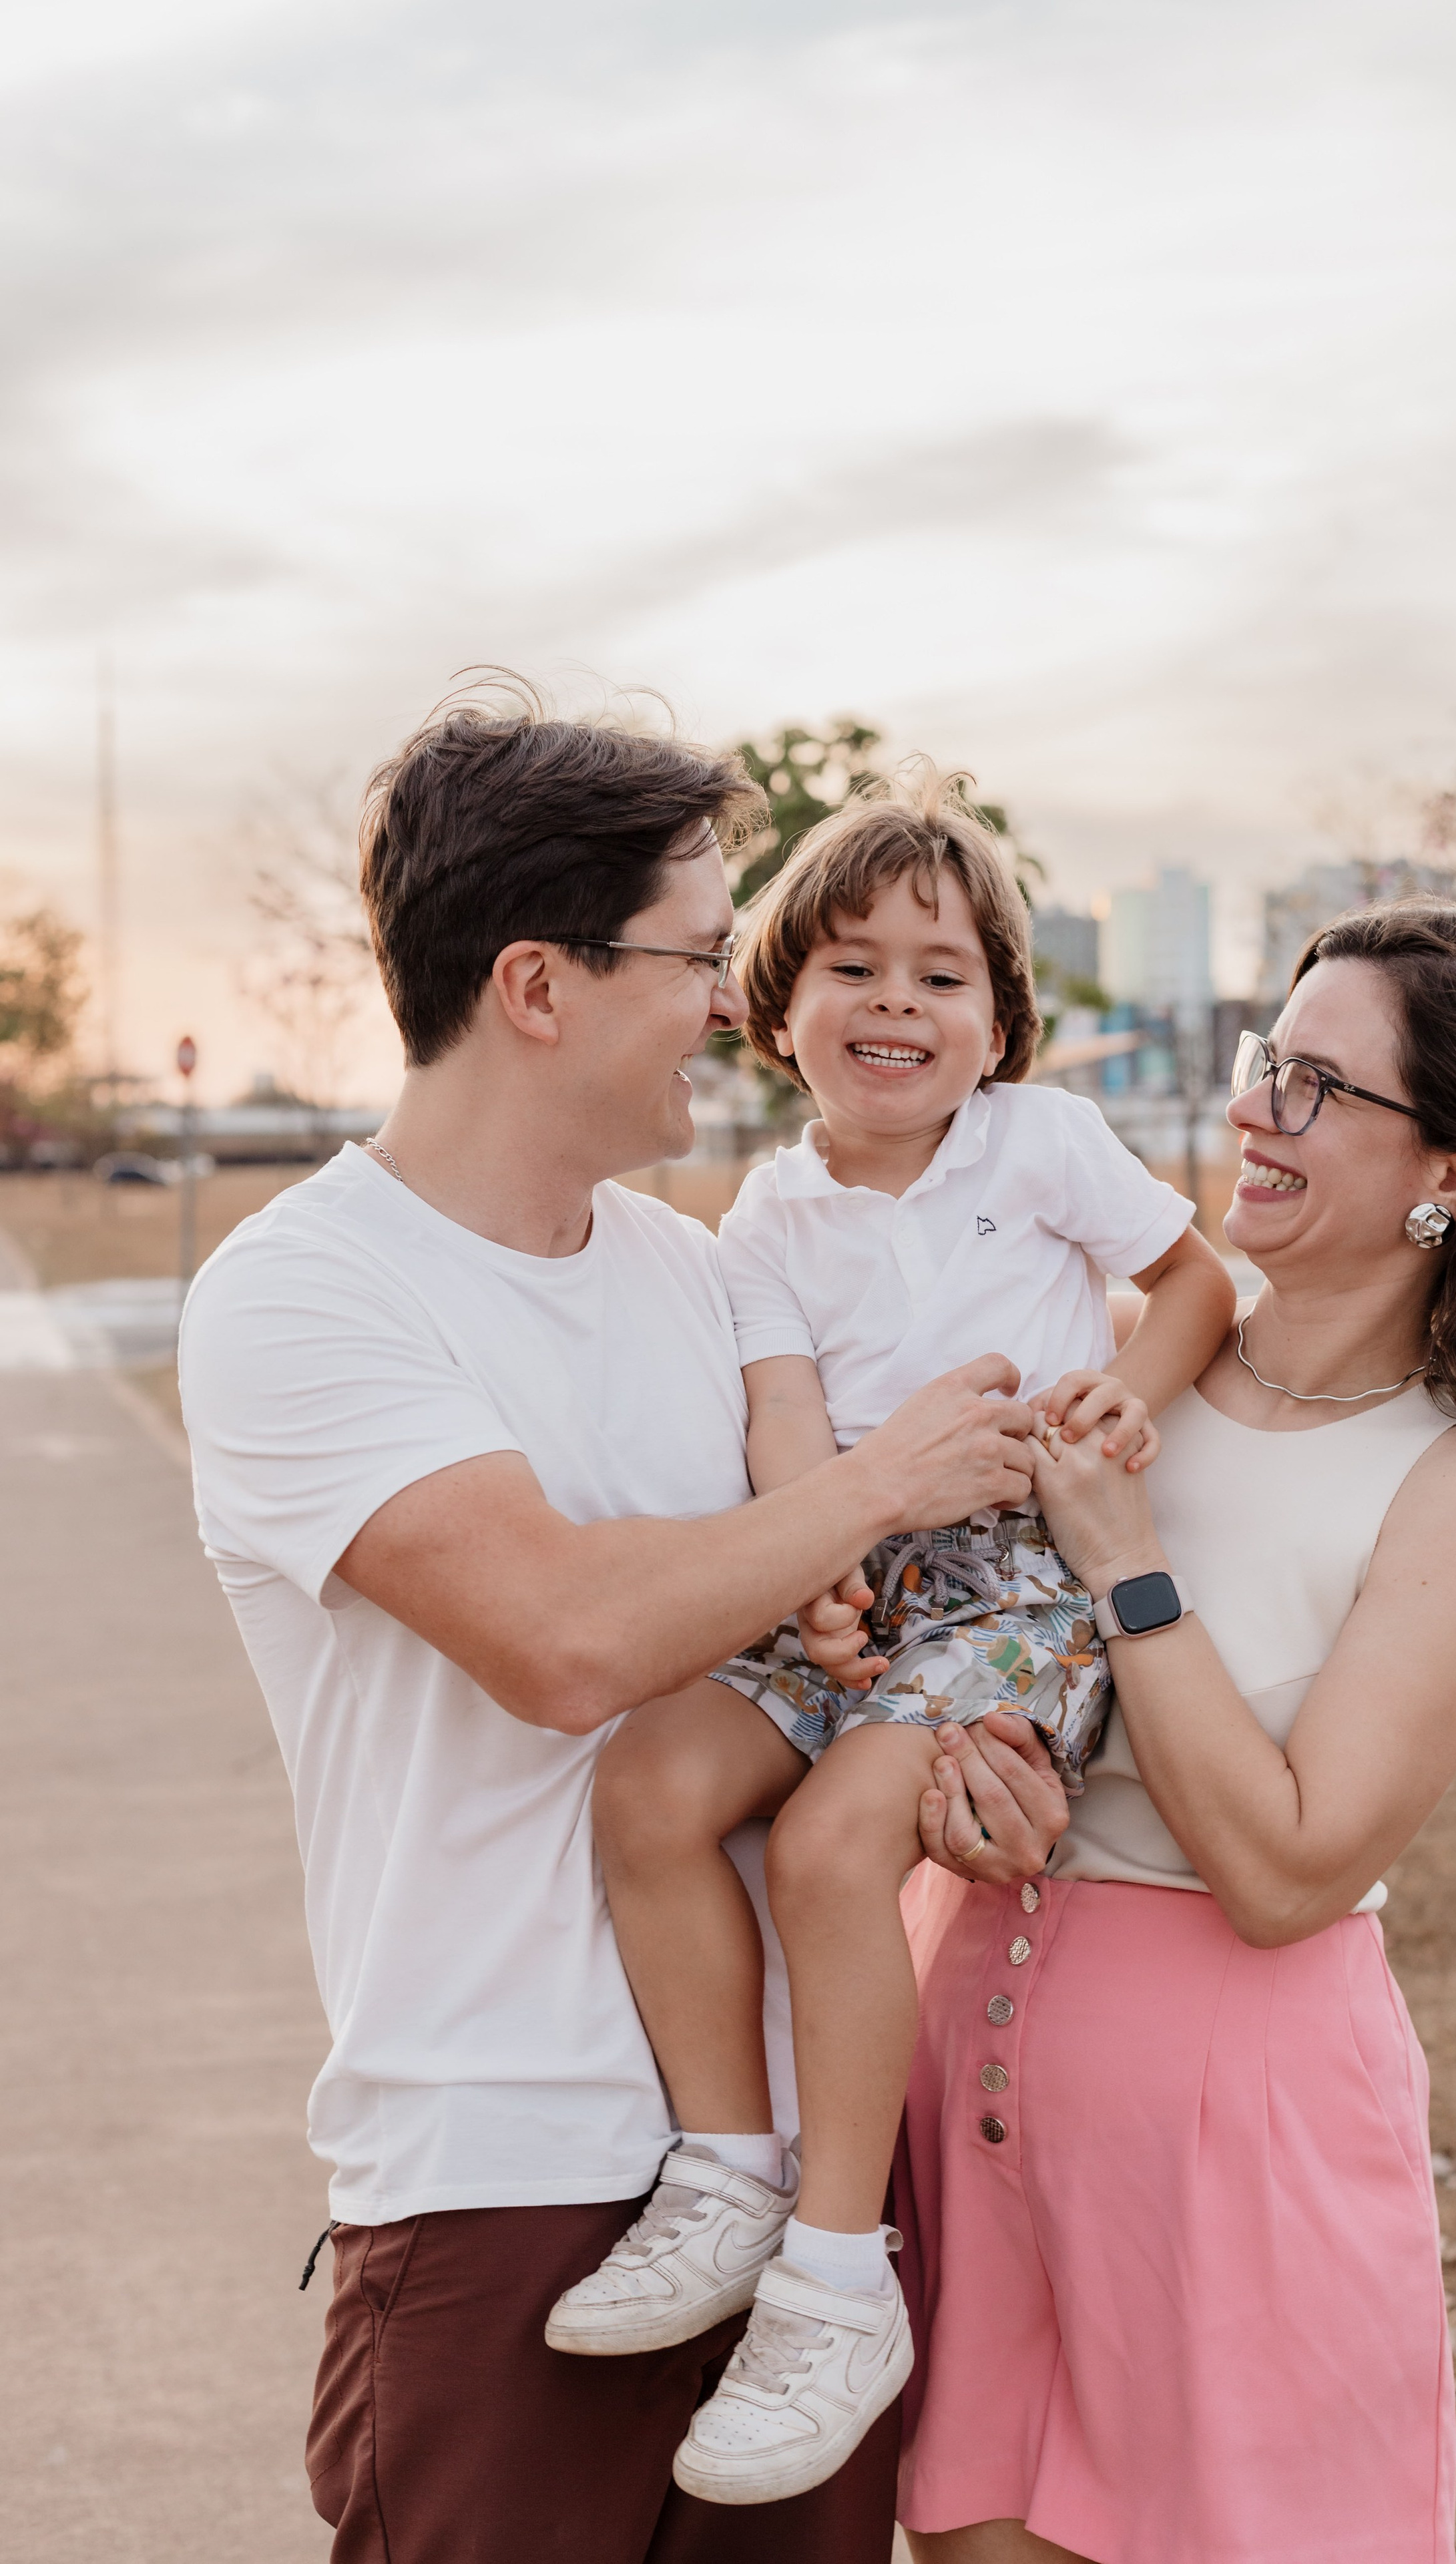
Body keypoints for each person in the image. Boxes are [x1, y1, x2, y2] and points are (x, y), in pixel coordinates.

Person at [178, 691, 1049, 2564]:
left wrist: (966, 1757)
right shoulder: (304, 1293)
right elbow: (564, 1642)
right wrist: (875, 1487)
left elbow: (824, 1653)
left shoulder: (701, 1271)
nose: (734, 1006)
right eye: (694, 958)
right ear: (535, 986)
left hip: (812, 2221)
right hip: (504, 2173)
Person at [887, 901, 1456, 2564]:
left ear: (1451, 1171)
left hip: (1237, 2145)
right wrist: (944, 1777)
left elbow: (1287, 1871)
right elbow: (912, 1657)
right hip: (956, 2074)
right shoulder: (1105, 1363)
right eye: (1264, 1060)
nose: (1250, 1108)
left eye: (1314, 1085)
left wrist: (1128, 1569)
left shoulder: (1453, 1491)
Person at [547, 775, 1235, 2506]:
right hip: (852, 1552)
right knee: (649, 1786)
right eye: (851, 967)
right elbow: (787, 1419)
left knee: (835, 1841)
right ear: (774, 1009)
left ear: (1000, 1020)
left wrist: (1122, 1401)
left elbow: (1201, 1283)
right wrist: (817, 1567)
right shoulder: (762, 1220)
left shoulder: (1039, 1144)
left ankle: (838, 2282)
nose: (898, 1004)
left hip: (1018, 1581)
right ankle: (728, 2168)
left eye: (943, 976)